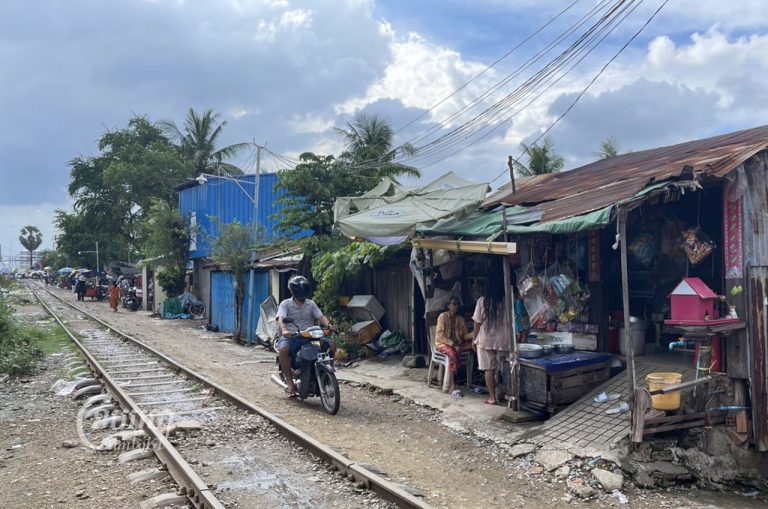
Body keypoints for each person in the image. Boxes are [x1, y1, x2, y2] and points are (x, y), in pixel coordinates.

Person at [276, 275, 334, 399]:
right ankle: (291, 384)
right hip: (292, 336)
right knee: (283, 349)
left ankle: (325, 371)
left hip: (310, 336)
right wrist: (285, 330)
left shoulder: (311, 304)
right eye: (298, 289)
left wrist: (329, 325)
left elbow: (321, 317)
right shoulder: (285, 304)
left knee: (332, 344)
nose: (301, 291)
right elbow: (280, 319)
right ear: (293, 290)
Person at [472, 277, 510, 405]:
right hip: (502, 339)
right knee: (503, 369)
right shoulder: (506, 301)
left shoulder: (482, 301)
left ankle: (492, 397)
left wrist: (474, 339)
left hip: (485, 340)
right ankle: (504, 395)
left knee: (489, 369)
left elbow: (477, 323)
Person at [434, 296, 473, 395]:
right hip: (442, 344)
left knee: (475, 344)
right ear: (448, 306)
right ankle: (452, 384)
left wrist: (474, 334)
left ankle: (460, 349)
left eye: (457, 304)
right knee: (452, 353)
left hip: (457, 344)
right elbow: (440, 336)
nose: (456, 306)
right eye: (454, 304)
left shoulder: (460, 319)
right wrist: (453, 344)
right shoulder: (442, 316)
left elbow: (464, 335)